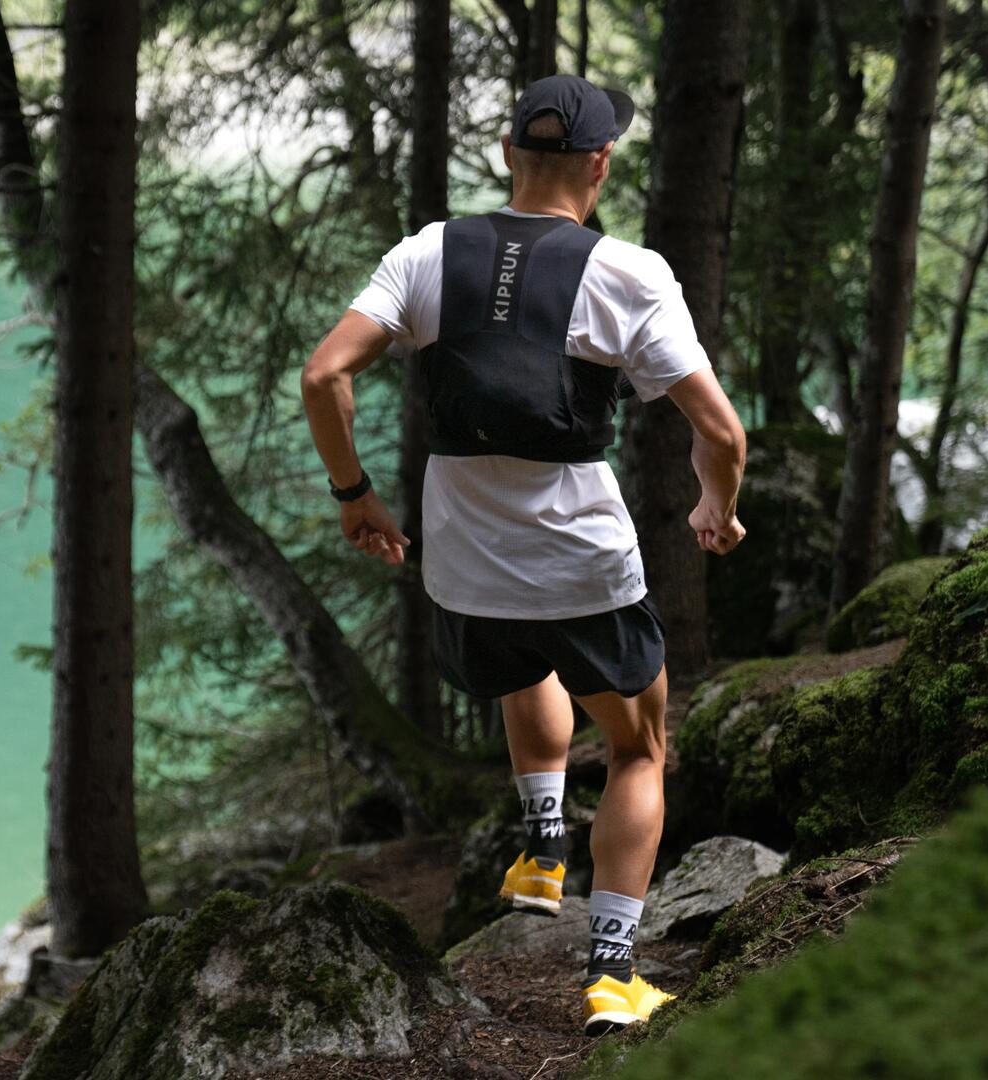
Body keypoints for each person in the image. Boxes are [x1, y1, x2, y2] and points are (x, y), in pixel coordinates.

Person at [298, 74, 747, 1037]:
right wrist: (717, 503)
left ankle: (543, 848)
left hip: (463, 563)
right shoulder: (627, 272)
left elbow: (325, 373)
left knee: (521, 652)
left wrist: (355, 496)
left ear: (508, 155)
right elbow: (721, 429)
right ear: (601, 163)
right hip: (582, 557)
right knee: (638, 746)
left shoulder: (428, 254)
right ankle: (614, 974)